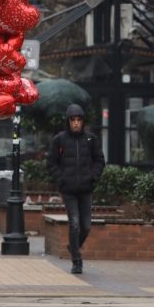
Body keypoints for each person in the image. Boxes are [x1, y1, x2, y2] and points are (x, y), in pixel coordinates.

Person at [46, 104, 105, 275]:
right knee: (75, 224)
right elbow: (51, 163)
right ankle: (76, 261)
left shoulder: (91, 139)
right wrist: (61, 180)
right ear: (68, 121)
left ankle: (73, 247)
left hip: (86, 188)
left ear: (83, 121)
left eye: (79, 120)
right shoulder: (60, 139)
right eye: (73, 120)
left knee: (86, 225)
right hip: (69, 190)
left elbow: (100, 160)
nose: (76, 123)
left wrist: (93, 177)